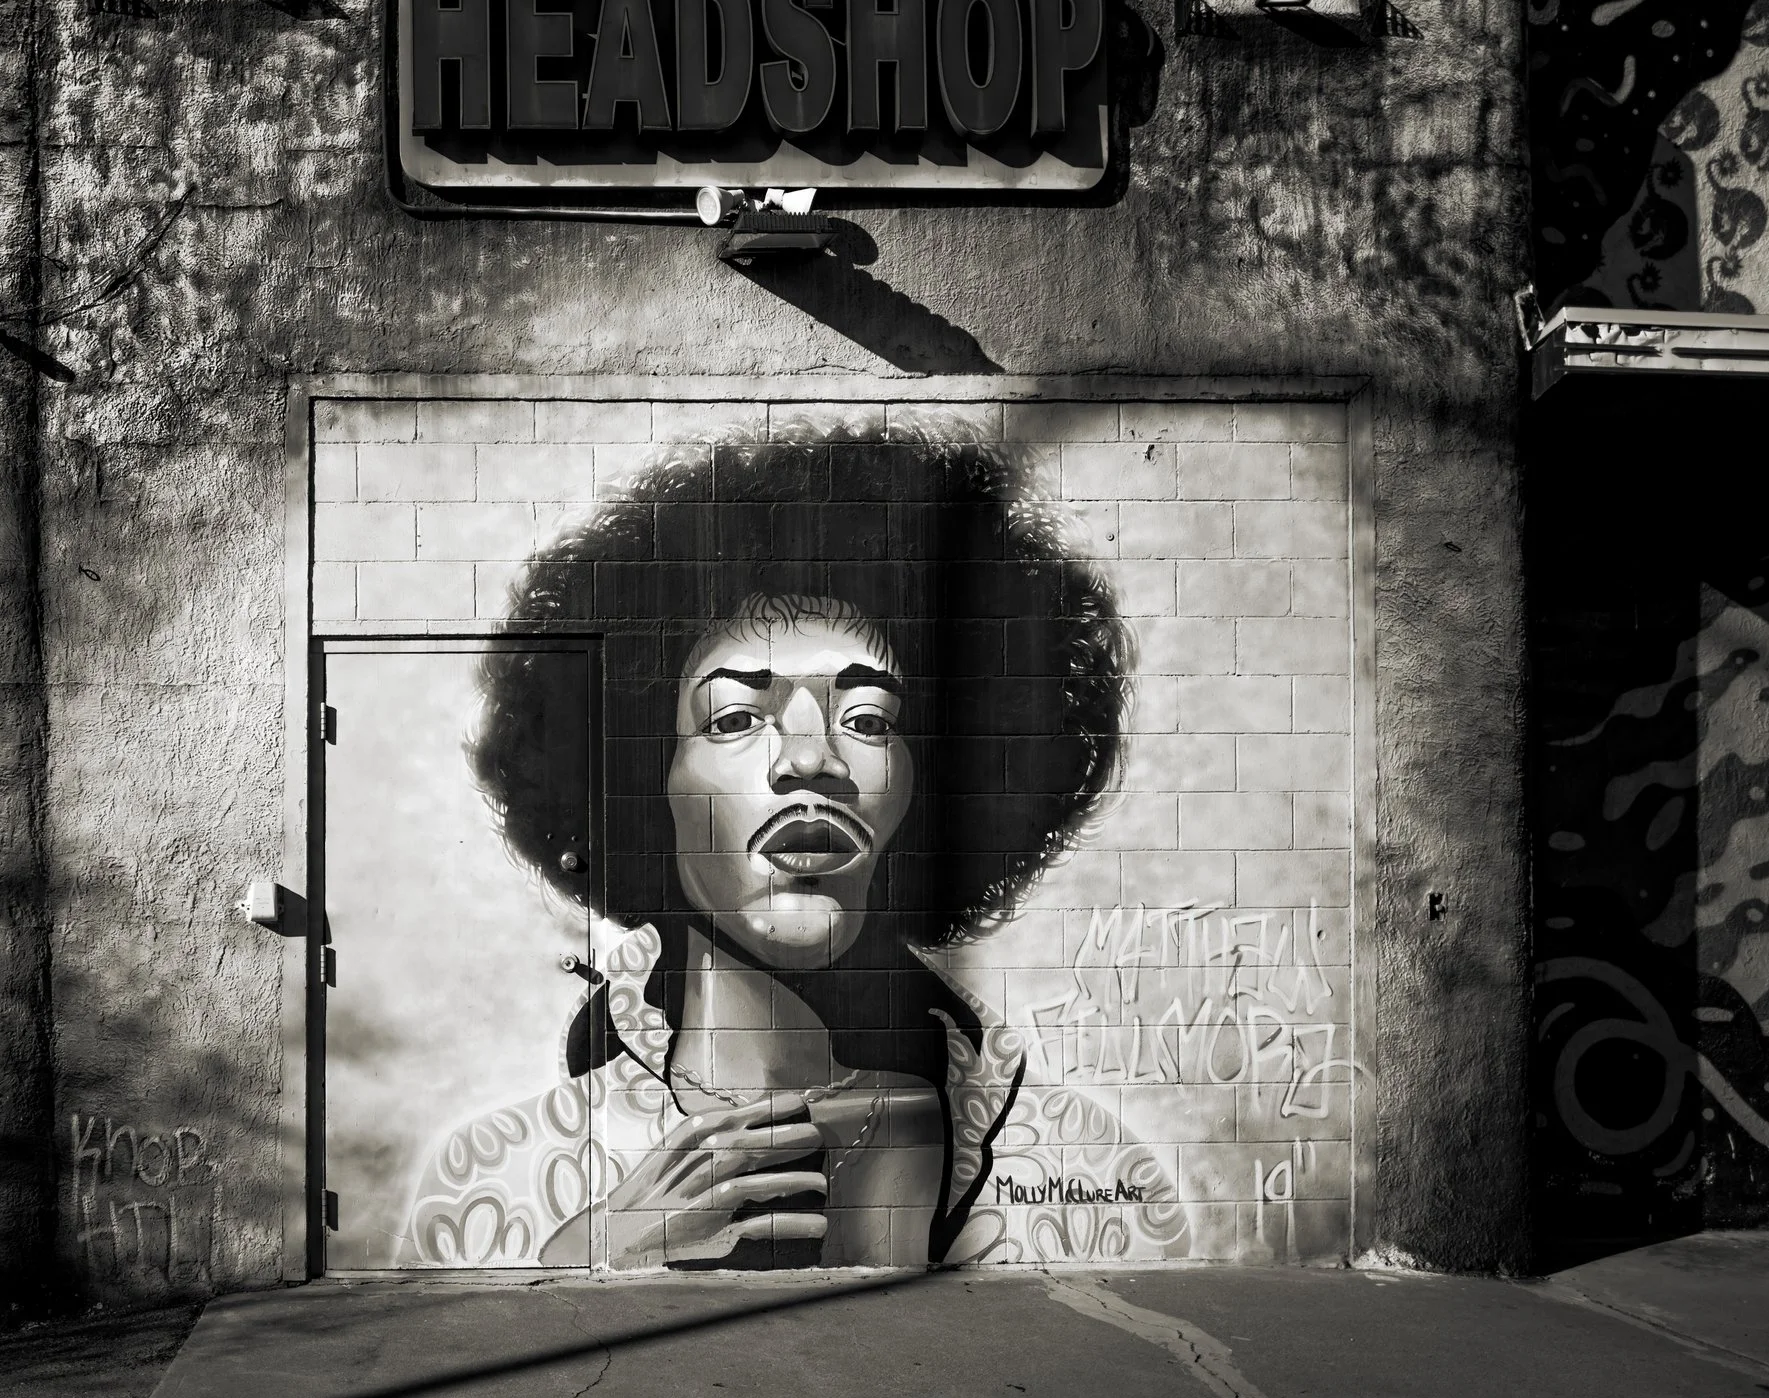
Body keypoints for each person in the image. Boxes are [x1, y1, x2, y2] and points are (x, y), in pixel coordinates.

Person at [395, 433, 1181, 1268]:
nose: (812, 758)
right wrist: (580, 1266)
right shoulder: (493, 1177)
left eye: (870, 719)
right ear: (641, 778)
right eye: (734, 717)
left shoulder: (1085, 1168)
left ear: (930, 788)